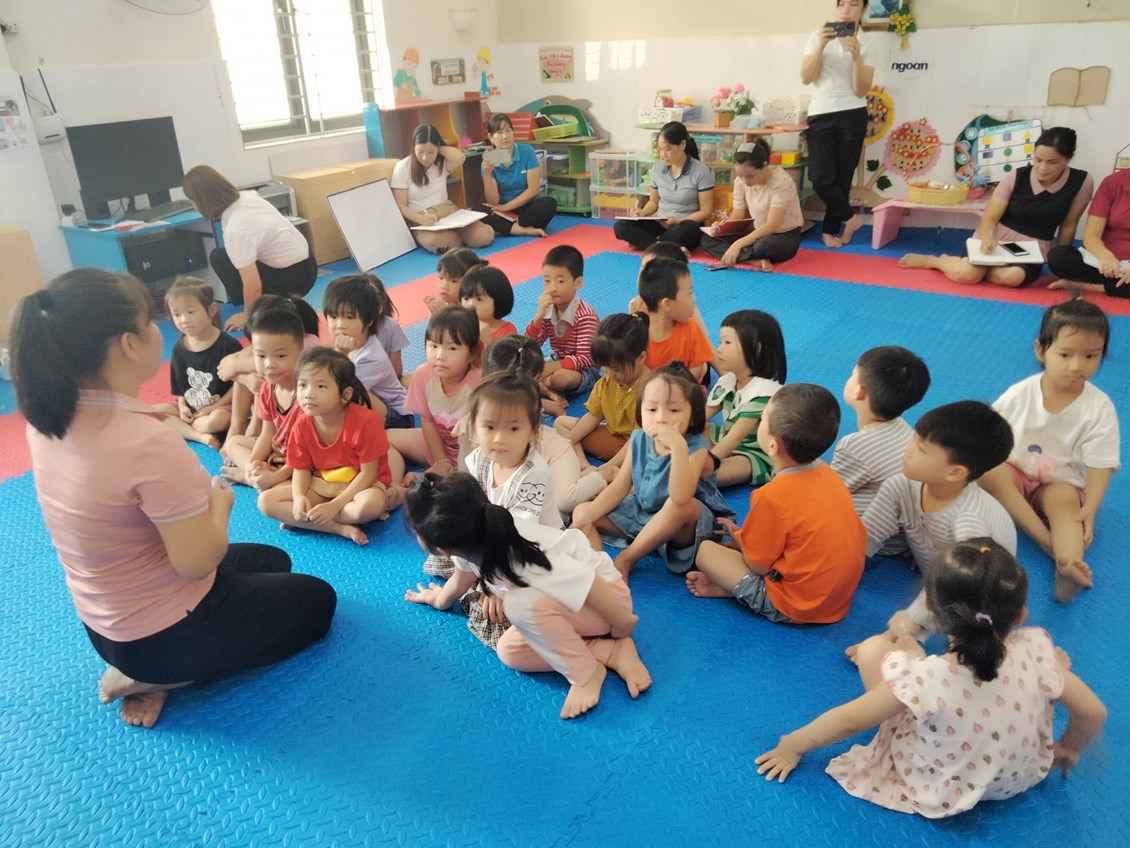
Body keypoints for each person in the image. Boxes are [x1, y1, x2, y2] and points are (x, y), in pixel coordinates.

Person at [12, 268, 335, 728]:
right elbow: (198, 562)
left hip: (105, 626)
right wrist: (220, 506)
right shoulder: (145, 441)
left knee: (273, 559)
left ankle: (155, 667)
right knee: (318, 602)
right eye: (151, 321)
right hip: (159, 635)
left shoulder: (48, 421)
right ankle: (163, 677)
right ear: (128, 343)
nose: (160, 330)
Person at [755, 539, 1107, 820]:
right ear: (1020, 617)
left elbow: (850, 720)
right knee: (1041, 673)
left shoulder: (927, 679)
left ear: (929, 607)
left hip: (945, 788)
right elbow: (1094, 713)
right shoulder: (1034, 648)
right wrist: (1068, 748)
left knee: (874, 649)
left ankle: (899, 668)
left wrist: (791, 746)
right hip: (1021, 777)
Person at [404, 473, 651, 720]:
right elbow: (461, 580)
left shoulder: (521, 556)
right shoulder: (472, 542)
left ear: (442, 549)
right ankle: (611, 652)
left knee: (518, 606)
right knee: (509, 651)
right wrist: (437, 600)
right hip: (568, 603)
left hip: (606, 601)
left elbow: (589, 582)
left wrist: (622, 622)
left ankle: (586, 674)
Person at [978, 299, 1119, 602]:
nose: (1077, 366)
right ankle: (1048, 544)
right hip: (1015, 471)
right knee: (991, 474)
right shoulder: (1021, 393)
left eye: (1091, 355)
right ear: (1041, 350)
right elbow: (990, 433)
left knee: (1068, 507)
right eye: (1065, 354)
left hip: (1058, 482)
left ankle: (1068, 564)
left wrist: (1090, 508)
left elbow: (1101, 464)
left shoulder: (1099, 407)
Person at [689, 384, 866, 624]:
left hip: (797, 607)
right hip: (838, 598)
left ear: (772, 445)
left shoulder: (771, 496)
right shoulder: (829, 474)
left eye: (762, 419)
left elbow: (758, 566)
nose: (758, 422)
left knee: (706, 552)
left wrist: (742, 542)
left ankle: (738, 591)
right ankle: (732, 586)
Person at [859, 401, 1016, 647]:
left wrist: (893, 636)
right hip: (941, 568)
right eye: (914, 439)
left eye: (921, 449)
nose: (907, 450)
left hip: (976, 590)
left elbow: (959, 587)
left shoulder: (968, 522)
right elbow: (863, 538)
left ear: (954, 473)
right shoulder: (901, 486)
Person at [571, 364, 734, 578]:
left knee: (681, 506)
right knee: (583, 511)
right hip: (642, 514)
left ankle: (627, 558)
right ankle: (598, 568)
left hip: (684, 529)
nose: (661, 418)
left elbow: (680, 497)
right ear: (640, 410)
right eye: (651, 409)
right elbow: (620, 486)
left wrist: (677, 446)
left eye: (674, 410)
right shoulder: (639, 438)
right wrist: (588, 519)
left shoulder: (696, 450)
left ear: (693, 416)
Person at [899, 127, 1094, 286]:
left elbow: (1069, 225)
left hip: (1031, 249)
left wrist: (1062, 264)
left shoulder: (1082, 182)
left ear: (1068, 159)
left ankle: (978, 270)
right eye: (1038, 160)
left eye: (1052, 162)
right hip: (995, 239)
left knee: (1013, 277)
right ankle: (936, 261)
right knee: (967, 275)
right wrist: (988, 239)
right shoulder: (1016, 176)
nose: (1043, 167)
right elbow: (990, 218)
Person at [258, 348, 398, 546]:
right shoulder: (302, 424)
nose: (308, 394)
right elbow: (301, 469)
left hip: (362, 486)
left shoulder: (366, 422)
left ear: (345, 395)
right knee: (266, 502)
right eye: (303, 385)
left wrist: (334, 506)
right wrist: (299, 498)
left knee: (368, 507)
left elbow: (369, 475)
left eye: (321, 386)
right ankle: (337, 527)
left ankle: (310, 520)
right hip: (322, 483)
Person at [477, 335, 608, 516]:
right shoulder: (482, 406)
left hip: (553, 453)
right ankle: (580, 474)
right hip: (526, 460)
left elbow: (531, 449)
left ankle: (605, 474)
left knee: (565, 501)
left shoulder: (528, 408)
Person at [181, 165, 316, 332]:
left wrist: (247, 315)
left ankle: (261, 308)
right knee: (226, 255)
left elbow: (252, 283)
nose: (194, 206)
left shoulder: (236, 230)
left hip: (294, 279)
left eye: (193, 201)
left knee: (220, 259)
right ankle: (275, 302)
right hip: (309, 265)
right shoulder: (248, 197)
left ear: (203, 201)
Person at [801, 0, 875, 248]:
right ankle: (851, 219)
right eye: (841, 3)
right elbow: (806, 77)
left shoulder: (868, 42)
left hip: (852, 113)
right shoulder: (817, 36)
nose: (845, 9)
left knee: (842, 179)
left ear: (863, 9)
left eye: (853, 4)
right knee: (820, 178)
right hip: (821, 113)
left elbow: (861, 89)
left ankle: (830, 231)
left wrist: (856, 56)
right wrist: (822, 46)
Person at [832, 345, 930, 517]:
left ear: (859, 392)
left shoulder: (853, 447)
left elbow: (828, 490)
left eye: (852, 375)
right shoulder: (902, 426)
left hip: (869, 529)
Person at [219, 301, 307, 489]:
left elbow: (307, 451)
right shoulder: (268, 388)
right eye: (261, 356)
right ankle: (254, 478)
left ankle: (256, 480)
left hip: (303, 462)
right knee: (234, 444)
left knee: (270, 500)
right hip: (278, 452)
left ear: (300, 352)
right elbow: (267, 433)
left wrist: (276, 475)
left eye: (280, 356)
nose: (269, 364)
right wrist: (253, 463)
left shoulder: (306, 392)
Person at [387, 305, 481, 472]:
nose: (440, 356)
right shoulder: (423, 374)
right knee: (385, 438)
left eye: (452, 348)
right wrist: (440, 461)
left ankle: (428, 477)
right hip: (438, 445)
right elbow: (428, 421)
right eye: (434, 346)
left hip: (474, 453)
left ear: (472, 354)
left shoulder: (480, 382)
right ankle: (396, 484)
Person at [706, 310, 787, 487]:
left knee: (709, 476)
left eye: (727, 342)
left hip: (752, 453)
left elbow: (736, 437)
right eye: (720, 342)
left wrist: (706, 465)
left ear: (756, 349)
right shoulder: (728, 380)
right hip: (725, 436)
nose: (719, 349)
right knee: (696, 430)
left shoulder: (764, 393)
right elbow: (702, 417)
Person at [159, 276, 243, 449]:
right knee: (150, 413)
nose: (184, 320)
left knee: (217, 421)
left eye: (190, 312)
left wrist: (214, 407)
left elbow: (240, 385)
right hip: (192, 406)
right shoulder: (178, 349)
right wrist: (183, 407)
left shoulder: (228, 345)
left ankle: (189, 427)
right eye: (177, 314)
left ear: (211, 310)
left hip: (223, 405)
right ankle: (200, 436)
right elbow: (180, 389)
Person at [554, 313, 649, 464]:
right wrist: (569, 442)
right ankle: (582, 463)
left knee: (638, 458)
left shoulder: (651, 391)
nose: (610, 373)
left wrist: (605, 468)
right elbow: (594, 416)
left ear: (641, 359)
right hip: (613, 437)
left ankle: (606, 467)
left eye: (617, 369)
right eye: (605, 367)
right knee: (561, 422)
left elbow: (640, 440)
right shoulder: (607, 382)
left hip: (637, 447)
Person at [323, 274, 412, 431]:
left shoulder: (371, 358)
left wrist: (341, 354)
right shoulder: (343, 341)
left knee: (351, 392)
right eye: (333, 316)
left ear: (369, 320)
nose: (340, 325)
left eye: (350, 317)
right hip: (373, 410)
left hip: (398, 417)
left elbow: (341, 394)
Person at [700, 140, 805, 270]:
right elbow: (738, 215)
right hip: (757, 230)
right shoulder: (740, 181)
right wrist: (722, 227)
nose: (745, 181)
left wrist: (738, 244)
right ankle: (752, 260)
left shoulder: (782, 183)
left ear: (764, 166)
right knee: (707, 239)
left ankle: (742, 255)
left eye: (750, 176)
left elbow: (773, 225)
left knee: (764, 246)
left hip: (783, 235)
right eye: (740, 175)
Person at [391, 124, 495, 253]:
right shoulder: (402, 167)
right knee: (434, 241)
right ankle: (460, 238)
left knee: (484, 237)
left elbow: (460, 157)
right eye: (420, 151)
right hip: (421, 216)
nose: (425, 157)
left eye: (431, 152)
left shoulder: (441, 162)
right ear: (413, 147)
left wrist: (438, 146)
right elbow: (401, 205)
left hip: (447, 210)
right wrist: (421, 219)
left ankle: (458, 239)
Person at [613, 121, 714, 252]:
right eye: (660, 150)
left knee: (691, 228)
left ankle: (650, 244)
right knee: (620, 226)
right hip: (660, 223)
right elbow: (653, 202)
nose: (663, 155)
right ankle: (660, 246)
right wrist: (642, 212)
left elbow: (706, 211)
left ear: (683, 144)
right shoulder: (657, 168)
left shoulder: (701, 170)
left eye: (667, 149)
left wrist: (679, 221)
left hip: (684, 225)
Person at [526, 245, 601, 416]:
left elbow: (585, 359)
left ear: (577, 283)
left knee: (560, 378)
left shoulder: (585, 315)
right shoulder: (548, 309)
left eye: (560, 281)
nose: (552, 288)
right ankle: (550, 390)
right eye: (547, 281)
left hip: (584, 370)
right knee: (520, 368)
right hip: (558, 359)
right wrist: (538, 318)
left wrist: (549, 368)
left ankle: (545, 385)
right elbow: (531, 345)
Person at [1048, 167, 1130, 297]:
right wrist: (1105, 256)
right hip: (1105, 262)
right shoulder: (1112, 182)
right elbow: (1091, 235)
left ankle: (1088, 286)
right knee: (1059, 257)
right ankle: (1120, 287)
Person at [476, 113, 557, 238]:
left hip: (525, 208)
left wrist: (506, 207)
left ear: (513, 133)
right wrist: (487, 174)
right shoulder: (489, 161)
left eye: (508, 131)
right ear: (491, 137)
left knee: (549, 203)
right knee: (477, 210)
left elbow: (533, 189)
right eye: (499, 132)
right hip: (502, 211)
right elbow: (493, 201)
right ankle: (524, 230)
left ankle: (507, 228)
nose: (505, 136)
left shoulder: (527, 151)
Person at [637, 258, 715, 382]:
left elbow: (697, 369)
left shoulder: (691, 328)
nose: (694, 298)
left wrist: (671, 387)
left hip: (686, 389)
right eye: (689, 293)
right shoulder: (639, 334)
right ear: (667, 304)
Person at [459, 264, 517, 342]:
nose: (470, 304)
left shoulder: (507, 331)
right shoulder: (458, 325)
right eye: (466, 298)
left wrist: (487, 340)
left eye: (479, 299)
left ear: (498, 299)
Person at [427, 247, 481, 314]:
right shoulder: (446, 303)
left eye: (453, 281)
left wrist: (443, 312)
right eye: (441, 278)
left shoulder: (473, 306)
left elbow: (464, 320)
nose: (444, 286)